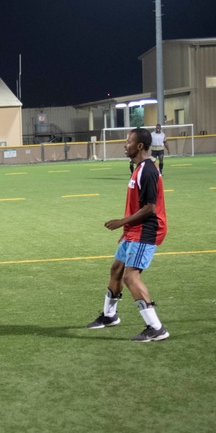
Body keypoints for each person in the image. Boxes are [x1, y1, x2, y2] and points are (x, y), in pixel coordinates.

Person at [87, 127, 170, 342]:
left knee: (130, 276)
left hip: (147, 230)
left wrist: (120, 223)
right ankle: (109, 315)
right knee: (116, 269)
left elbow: (150, 208)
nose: (125, 145)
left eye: (128, 141)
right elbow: (137, 205)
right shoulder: (137, 168)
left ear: (139, 146)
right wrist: (126, 230)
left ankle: (156, 327)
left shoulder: (148, 170)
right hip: (134, 230)